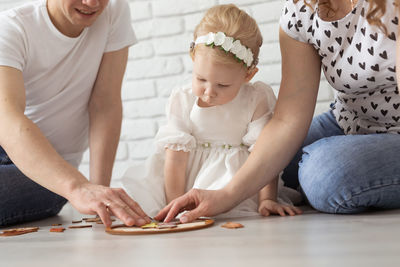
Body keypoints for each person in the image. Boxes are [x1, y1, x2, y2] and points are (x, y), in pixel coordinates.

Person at [155, 0, 400, 224]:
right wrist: (227, 196)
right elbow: (287, 120)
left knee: (323, 175)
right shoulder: (302, 9)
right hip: (349, 120)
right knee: (268, 163)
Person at [118, 4, 302, 219]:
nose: (209, 92)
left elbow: (265, 152)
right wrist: (174, 204)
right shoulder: (183, 99)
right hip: (185, 181)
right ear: (193, 59)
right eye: (201, 79)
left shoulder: (256, 98)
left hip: (236, 180)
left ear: (248, 75)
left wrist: (267, 199)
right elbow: (176, 160)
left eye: (223, 85)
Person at [0, 0, 151, 227]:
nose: (92, 3)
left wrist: (96, 191)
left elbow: (105, 103)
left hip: (52, 171)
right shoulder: (12, 27)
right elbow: (7, 118)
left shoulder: (113, 12)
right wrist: (78, 187)